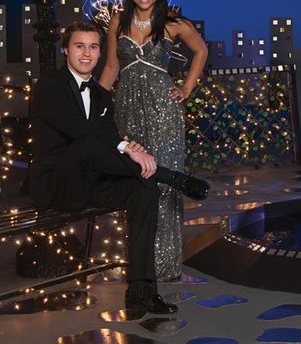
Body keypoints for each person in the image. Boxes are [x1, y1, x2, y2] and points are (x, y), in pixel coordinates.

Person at [29, 19, 209, 315]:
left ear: (100, 53)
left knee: (144, 186)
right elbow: (82, 134)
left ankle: (142, 290)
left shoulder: (100, 94)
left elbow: (109, 137)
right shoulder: (49, 85)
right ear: (66, 51)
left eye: (93, 47)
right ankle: (171, 177)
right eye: (79, 46)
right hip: (57, 185)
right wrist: (126, 148)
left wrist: (129, 146)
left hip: (90, 182)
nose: (87, 54)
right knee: (89, 143)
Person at [99, 0, 207, 281]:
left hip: (164, 112)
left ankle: (165, 265)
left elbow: (200, 51)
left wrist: (187, 87)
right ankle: (140, 261)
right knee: (137, 180)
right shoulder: (118, 21)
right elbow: (110, 68)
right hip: (127, 109)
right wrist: (94, 105)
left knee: (165, 181)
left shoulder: (173, 24)